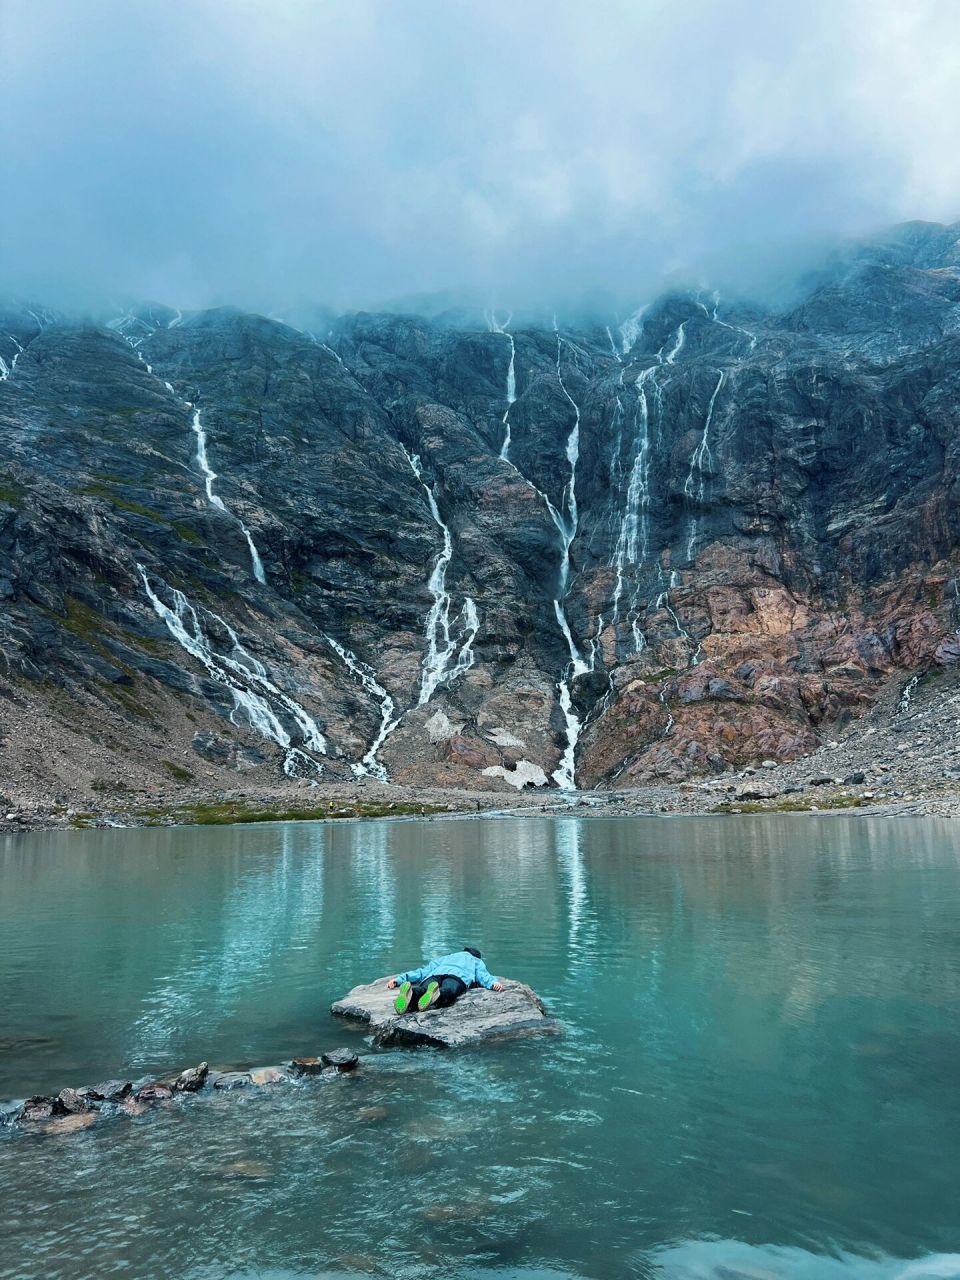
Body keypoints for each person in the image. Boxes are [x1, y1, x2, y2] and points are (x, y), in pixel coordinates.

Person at [386, 945, 504, 1014]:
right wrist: (493, 983)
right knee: (449, 991)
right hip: (457, 976)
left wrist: (399, 979)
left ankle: (412, 993)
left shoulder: (447, 957)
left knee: (423, 989)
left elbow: (422, 972)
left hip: (435, 974)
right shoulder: (475, 960)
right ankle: (437, 993)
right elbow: (483, 975)